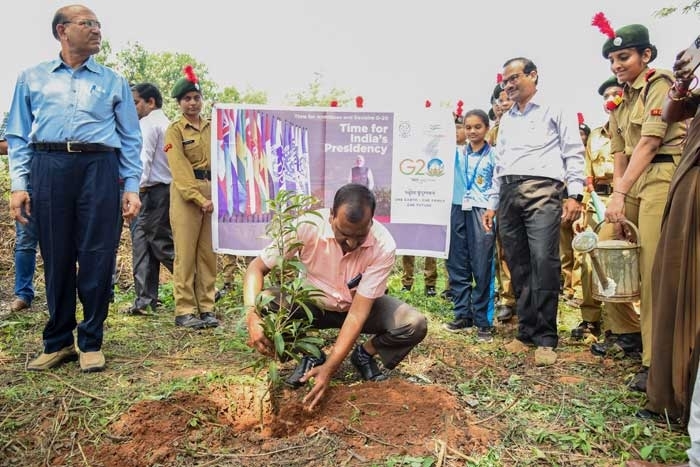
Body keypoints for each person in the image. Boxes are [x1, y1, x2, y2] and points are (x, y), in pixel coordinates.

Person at [6, 4, 142, 372]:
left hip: (99, 167)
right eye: (88, 24)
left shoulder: (112, 81)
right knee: (56, 253)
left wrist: (131, 186)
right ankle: (59, 341)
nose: (97, 30)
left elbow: (130, 138)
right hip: (48, 166)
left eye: (98, 24)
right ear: (62, 31)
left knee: (98, 254)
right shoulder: (31, 78)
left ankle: (91, 340)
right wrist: (19, 185)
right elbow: (18, 135)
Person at [244, 184, 428, 410]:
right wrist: (252, 317)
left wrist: (331, 368)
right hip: (312, 304)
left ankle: (364, 354)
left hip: (359, 306)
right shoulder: (306, 227)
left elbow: (358, 314)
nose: (351, 243)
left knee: (413, 323)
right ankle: (310, 353)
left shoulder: (383, 245)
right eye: (343, 234)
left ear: (371, 222)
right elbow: (256, 268)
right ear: (331, 216)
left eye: (360, 236)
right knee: (265, 301)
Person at [593, 16, 687, 392]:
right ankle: (627, 331)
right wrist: (618, 198)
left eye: (625, 57)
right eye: (613, 59)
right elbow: (619, 154)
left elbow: (650, 143)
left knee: (649, 266)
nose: (617, 65)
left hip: (662, 175)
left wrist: (620, 192)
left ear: (646, 55)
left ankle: (654, 361)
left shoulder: (659, 82)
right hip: (631, 180)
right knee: (604, 244)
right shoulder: (619, 98)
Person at [483, 57, 585, 366]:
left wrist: (575, 193)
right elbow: (499, 165)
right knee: (519, 264)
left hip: (543, 191)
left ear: (533, 75)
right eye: (505, 81)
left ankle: (546, 338)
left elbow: (572, 150)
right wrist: (493, 203)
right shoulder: (507, 120)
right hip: (510, 194)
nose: (509, 85)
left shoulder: (555, 108)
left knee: (544, 260)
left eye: (514, 78)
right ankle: (526, 332)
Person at [641, 48, 700, 425]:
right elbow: (673, 113)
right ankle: (675, 394)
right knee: (675, 277)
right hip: (691, 173)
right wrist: (683, 81)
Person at [579, 77, 641, 352]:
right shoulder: (596, 134)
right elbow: (588, 174)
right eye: (608, 95)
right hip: (600, 200)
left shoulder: (634, 123)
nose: (612, 98)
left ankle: (631, 329)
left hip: (632, 196)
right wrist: (584, 206)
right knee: (596, 263)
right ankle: (607, 324)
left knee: (627, 265)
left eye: (617, 93)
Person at [164, 66, 219, 329]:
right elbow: (179, 170)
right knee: (185, 254)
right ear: (179, 102)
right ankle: (185, 309)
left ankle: (207, 307)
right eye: (187, 99)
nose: (193, 103)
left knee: (208, 254)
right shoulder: (174, 130)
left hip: (212, 190)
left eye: (196, 98)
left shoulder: (213, 126)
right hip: (188, 196)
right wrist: (199, 198)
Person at [443, 110, 497, 342]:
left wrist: (492, 208)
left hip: (482, 211)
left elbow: (497, 184)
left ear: (486, 128)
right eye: (468, 127)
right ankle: (462, 314)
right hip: (456, 208)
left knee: (482, 264)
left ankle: (483, 320)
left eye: (477, 127)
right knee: (456, 262)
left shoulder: (494, 155)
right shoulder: (454, 154)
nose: (472, 131)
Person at [127, 83, 174, 315]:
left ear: (150, 102)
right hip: (163, 190)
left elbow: (143, 160)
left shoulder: (148, 124)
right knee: (144, 243)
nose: (132, 107)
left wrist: (134, 190)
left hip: (149, 190)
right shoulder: (166, 123)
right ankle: (145, 300)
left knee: (159, 244)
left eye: (135, 102)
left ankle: (201, 286)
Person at [485, 82, 517, 322]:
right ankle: (504, 295)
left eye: (507, 99)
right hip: (493, 197)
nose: (502, 104)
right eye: (499, 100)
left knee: (514, 251)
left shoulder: (523, 126)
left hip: (518, 195)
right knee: (498, 250)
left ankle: (515, 297)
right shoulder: (491, 133)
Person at [1, 112, 38, 314]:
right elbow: (3, 145)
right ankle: (23, 294)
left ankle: (59, 291)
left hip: (57, 182)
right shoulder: (14, 115)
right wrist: (28, 145)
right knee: (25, 241)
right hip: (26, 184)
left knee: (61, 242)